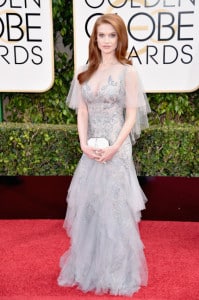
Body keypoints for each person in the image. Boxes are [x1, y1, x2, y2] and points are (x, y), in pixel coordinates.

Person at [57, 13, 151, 296]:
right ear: (95, 38)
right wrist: (83, 143)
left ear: (120, 38)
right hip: (92, 148)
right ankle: (89, 268)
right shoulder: (84, 71)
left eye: (112, 35)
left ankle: (117, 273)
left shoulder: (128, 72)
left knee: (115, 211)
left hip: (116, 149)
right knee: (90, 209)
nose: (106, 40)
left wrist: (114, 147)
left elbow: (131, 116)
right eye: (102, 35)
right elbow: (82, 111)